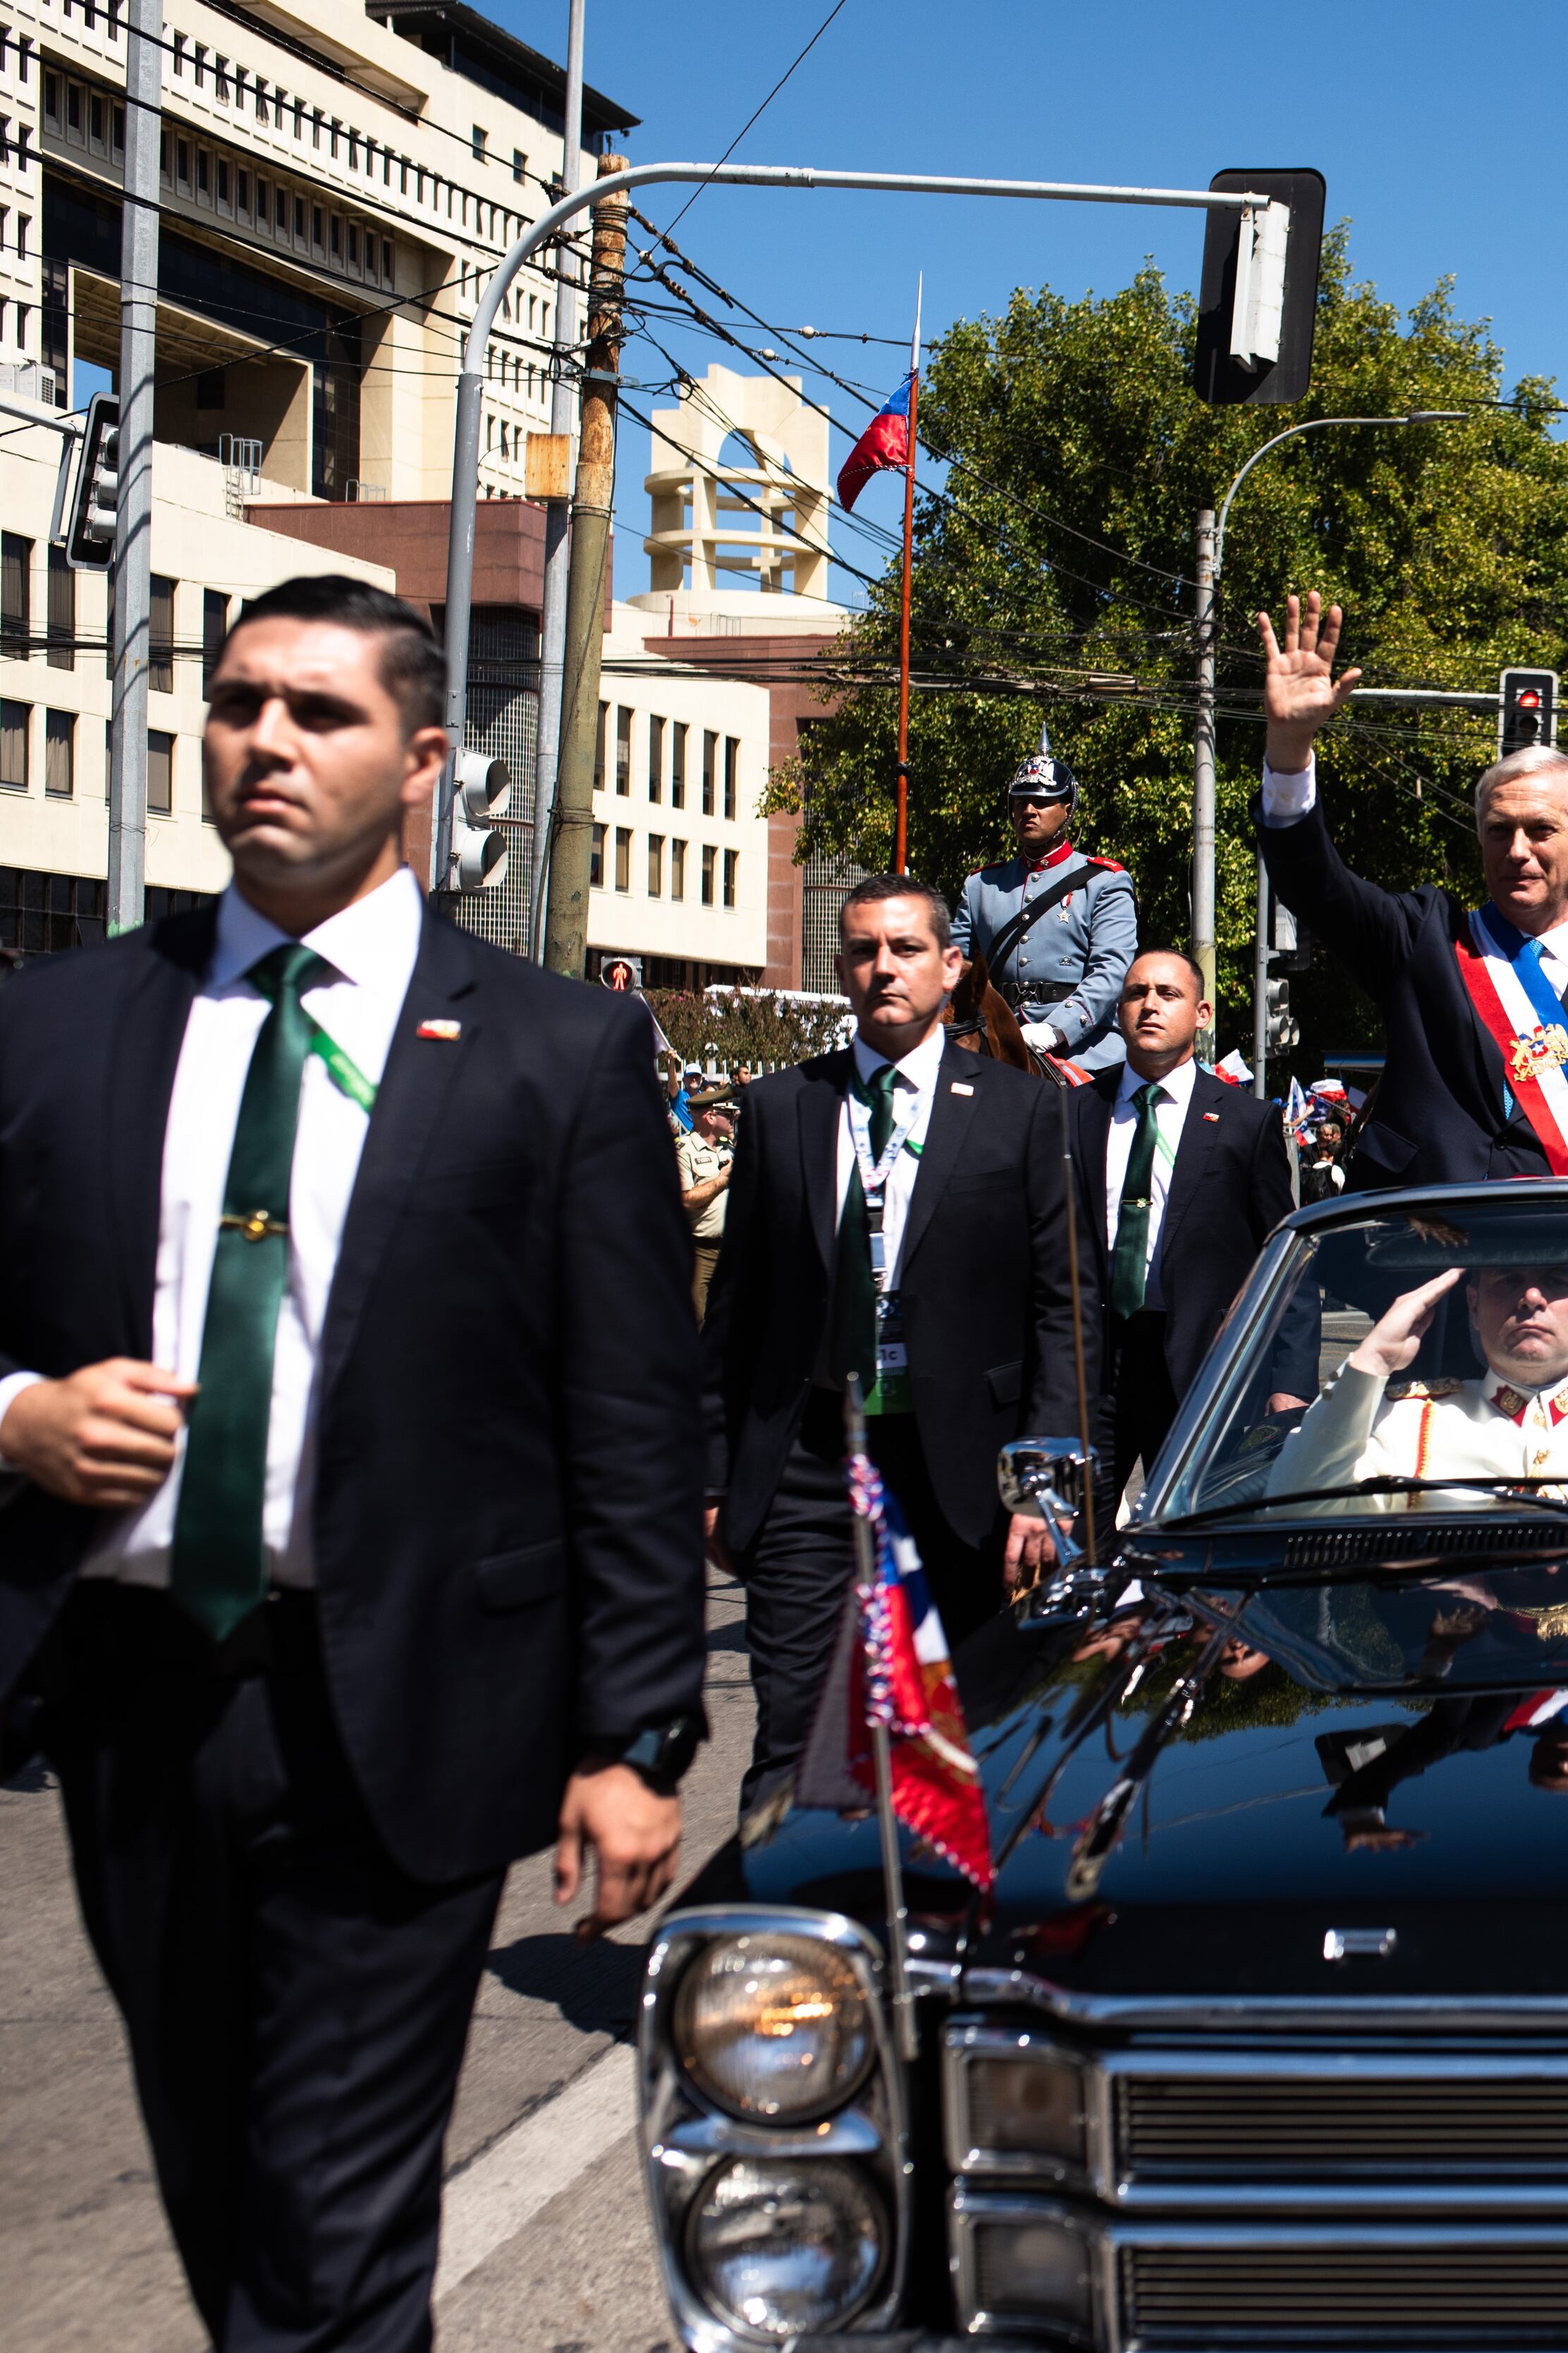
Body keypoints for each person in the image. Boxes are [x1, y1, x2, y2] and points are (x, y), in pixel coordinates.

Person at [0, 574, 705, 2350]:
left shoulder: (555, 1048)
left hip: (407, 1696)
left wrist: (629, 1737)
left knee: (333, 2231)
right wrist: (17, 1411)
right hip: (130, 1695)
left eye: (319, 712)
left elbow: (625, 1411)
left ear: (419, 757)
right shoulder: (64, 1023)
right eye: (238, 703)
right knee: (221, 2189)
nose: (265, 745)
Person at [702, 873, 1092, 1799]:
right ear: (841, 971)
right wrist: (712, 1478)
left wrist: (1043, 1490)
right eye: (865, 951)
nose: (886, 968)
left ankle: (936, 1933)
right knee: (796, 1734)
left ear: (951, 968)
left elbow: (1063, 1310)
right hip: (808, 1461)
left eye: (907, 948)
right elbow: (735, 1315)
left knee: (959, 1743)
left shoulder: (1023, 1112)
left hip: (961, 1473)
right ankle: (784, 1933)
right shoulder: (779, 1108)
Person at [1252, 594, 1568, 1190]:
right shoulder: (1425, 940)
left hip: (1566, 1276)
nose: (1517, 851)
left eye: (1541, 831)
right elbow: (1314, 882)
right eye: (1498, 831)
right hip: (1412, 1259)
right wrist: (1289, 748)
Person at [1072, 948, 1304, 1477]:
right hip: (1091, 1369)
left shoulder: (1246, 1123)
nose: (1149, 1006)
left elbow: (1286, 1260)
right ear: (1118, 1010)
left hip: (1202, 1372)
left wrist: (1289, 1383)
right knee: (1080, 1539)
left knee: (1188, 1546)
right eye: (1136, 993)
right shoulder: (1074, 1112)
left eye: (1167, 994)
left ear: (1203, 1014)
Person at [1268, 1260, 1568, 1508]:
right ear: (1472, 1305)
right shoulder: (1407, 1425)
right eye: (1508, 1279)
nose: (1531, 1297)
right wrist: (1370, 1362)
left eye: (1554, 1279)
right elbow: (1293, 1507)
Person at [949, 732, 1138, 1075]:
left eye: (1042, 801)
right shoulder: (980, 886)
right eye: (1021, 801)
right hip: (995, 1041)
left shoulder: (1103, 882)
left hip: (1086, 1052)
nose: (1029, 810)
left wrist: (1057, 1029)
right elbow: (951, 969)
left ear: (1068, 810)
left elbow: (1111, 971)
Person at [678, 1081, 739, 1319]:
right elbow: (684, 1201)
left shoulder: (728, 1149)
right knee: (698, 1320)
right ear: (711, 1117)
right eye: (727, 1112)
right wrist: (721, 1181)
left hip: (730, 1249)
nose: (734, 1115)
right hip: (700, 1252)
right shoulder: (685, 1150)